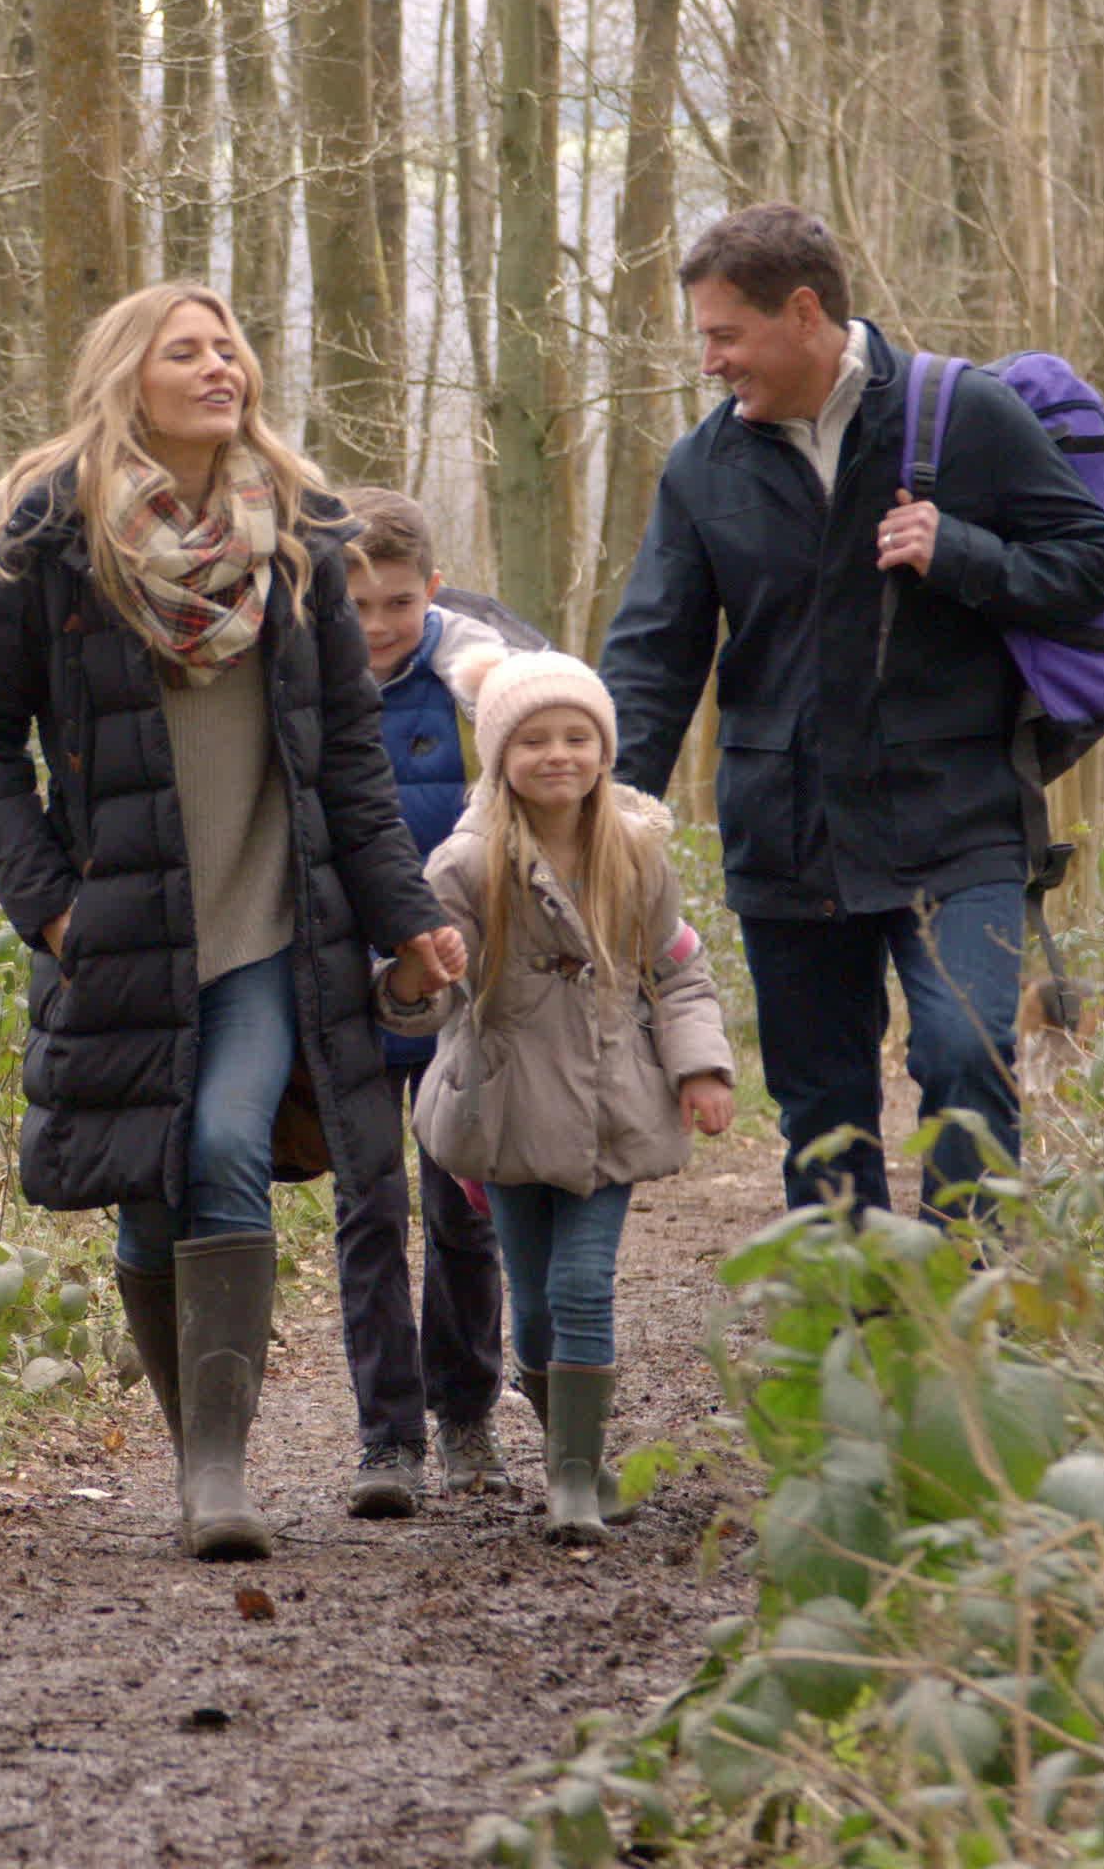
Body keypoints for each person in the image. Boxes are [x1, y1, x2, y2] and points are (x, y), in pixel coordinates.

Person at [0, 279, 467, 1562]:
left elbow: (348, 752)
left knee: (225, 1140)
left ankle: (218, 1479)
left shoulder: (300, 533)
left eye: (228, 347)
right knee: (145, 1184)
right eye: (187, 350)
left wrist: (402, 919)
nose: (219, 366)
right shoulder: (52, 540)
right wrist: (50, 908)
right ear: (132, 376)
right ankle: (198, 1465)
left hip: (277, 919)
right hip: (123, 929)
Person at [598, 204, 1104, 1227]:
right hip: (787, 839)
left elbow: (1096, 566)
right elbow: (654, 656)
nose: (709, 360)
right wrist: (605, 812)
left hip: (958, 823)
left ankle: (963, 1332)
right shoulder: (702, 466)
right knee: (822, 1111)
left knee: (965, 1061)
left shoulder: (962, 414)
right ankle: (848, 1340)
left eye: (724, 335)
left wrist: (964, 552)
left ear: (803, 312)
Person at [376, 653, 736, 1543]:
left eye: (578, 737)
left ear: (604, 750)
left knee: (582, 1286)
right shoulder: (466, 863)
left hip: (613, 1106)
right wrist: (421, 978)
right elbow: (414, 987)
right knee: (531, 1306)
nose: (558, 755)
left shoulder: (636, 852)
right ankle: (571, 1448)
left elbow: (677, 973)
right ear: (501, 756)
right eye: (534, 739)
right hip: (503, 1111)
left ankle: (573, 1481)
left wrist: (700, 1068)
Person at [330, 487, 519, 1503]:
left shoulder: (473, 691)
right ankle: (386, 1440)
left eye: (397, 603)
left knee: (461, 1212)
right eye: (356, 604)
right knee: (368, 1210)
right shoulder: (306, 686)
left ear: (433, 592)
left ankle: (466, 1418)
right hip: (349, 985)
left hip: (459, 991)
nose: (377, 626)